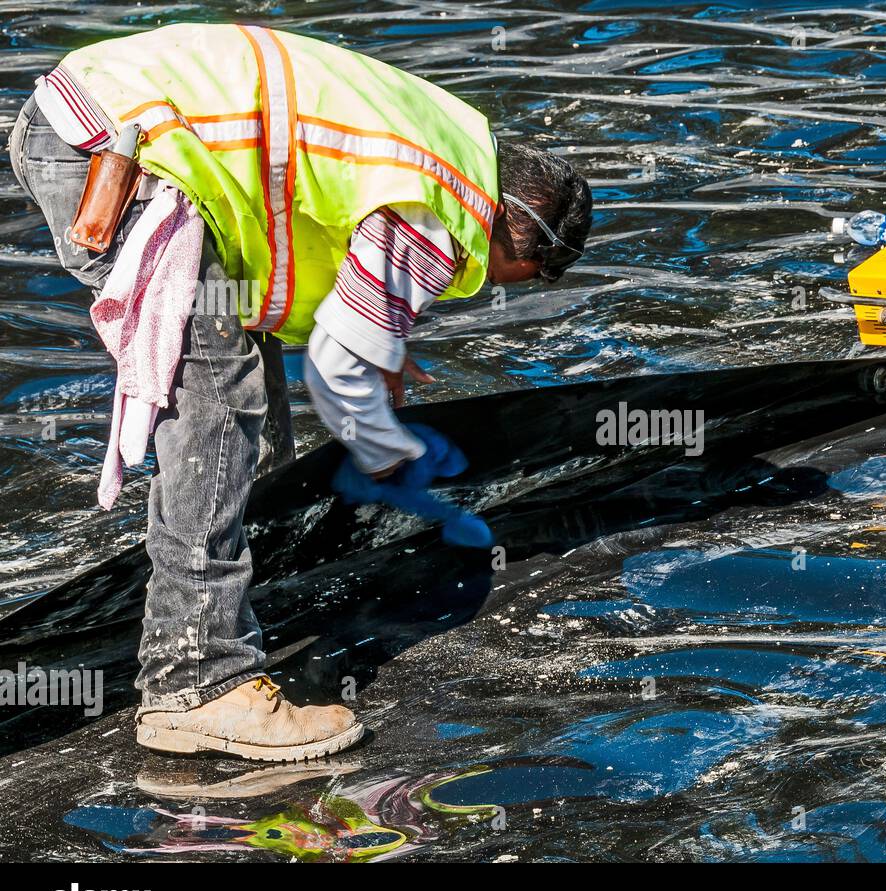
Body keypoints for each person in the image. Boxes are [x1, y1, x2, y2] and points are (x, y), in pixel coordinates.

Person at [7, 23, 592, 761]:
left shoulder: (446, 139)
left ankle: (237, 600)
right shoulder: (449, 202)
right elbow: (345, 366)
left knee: (239, 364)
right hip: (116, 155)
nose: (493, 291)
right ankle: (197, 680)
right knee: (219, 391)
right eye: (523, 280)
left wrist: (381, 338)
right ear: (524, 242)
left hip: (98, 122)